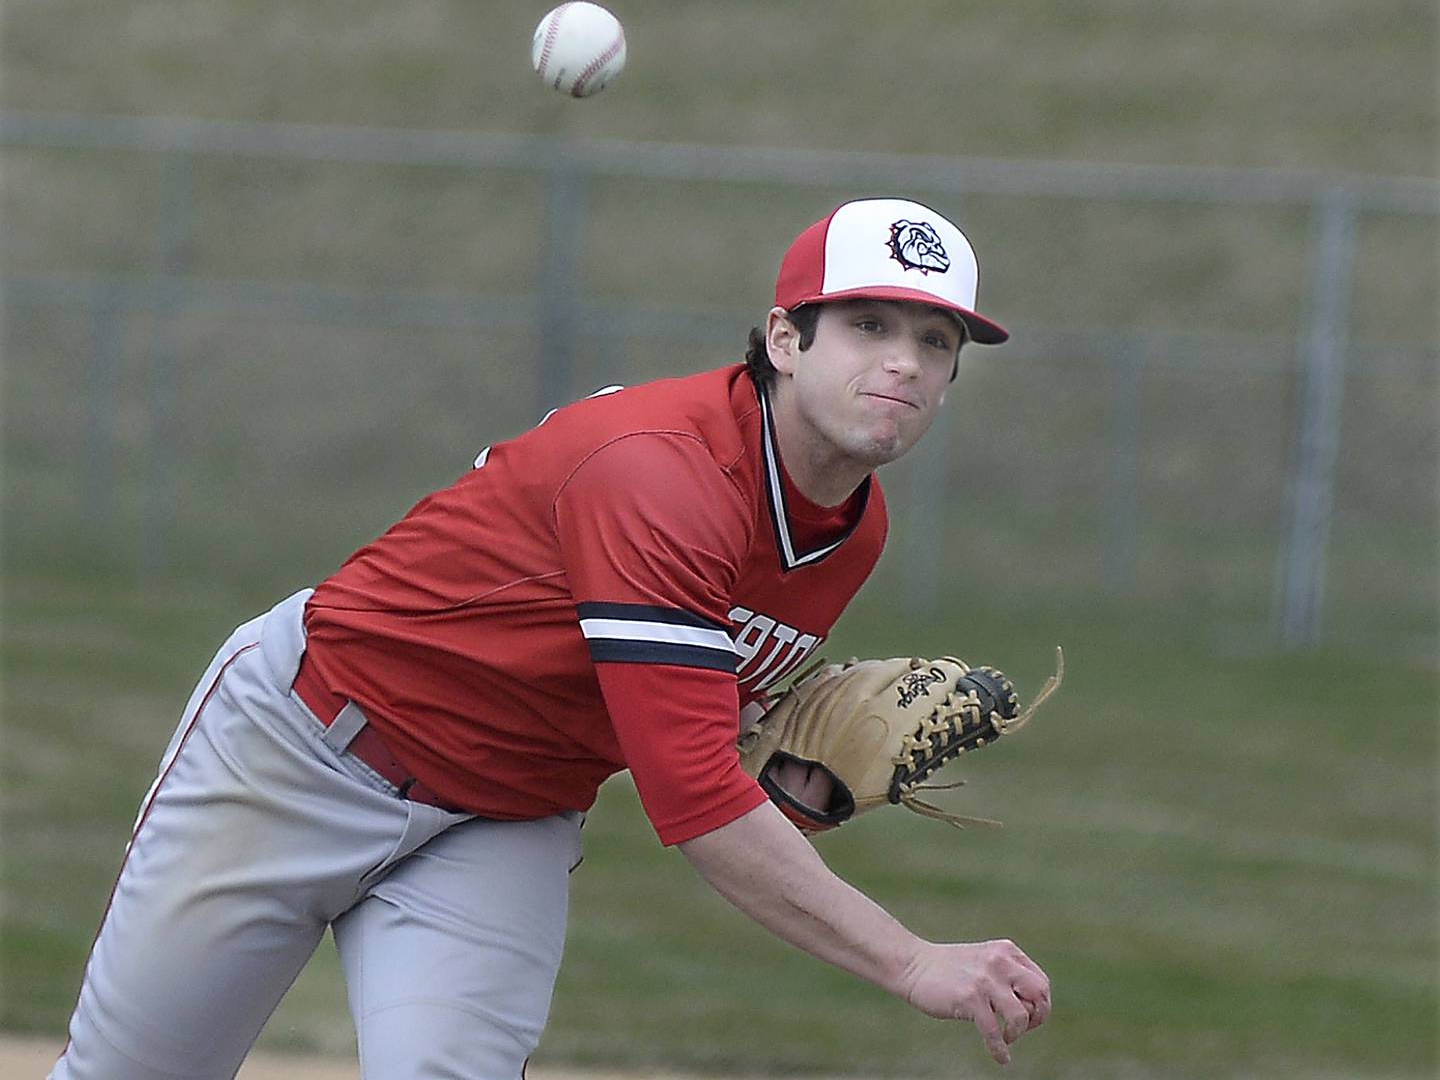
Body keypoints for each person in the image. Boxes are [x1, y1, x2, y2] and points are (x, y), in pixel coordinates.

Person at [51, 197, 1051, 1080]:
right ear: (786, 339)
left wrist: (797, 792)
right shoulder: (661, 474)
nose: (902, 362)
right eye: (869, 324)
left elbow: (709, 748)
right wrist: (912, 958)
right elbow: (697, 804)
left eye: (934, 341)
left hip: (504, 820)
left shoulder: (851, 531)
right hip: (302, 752)